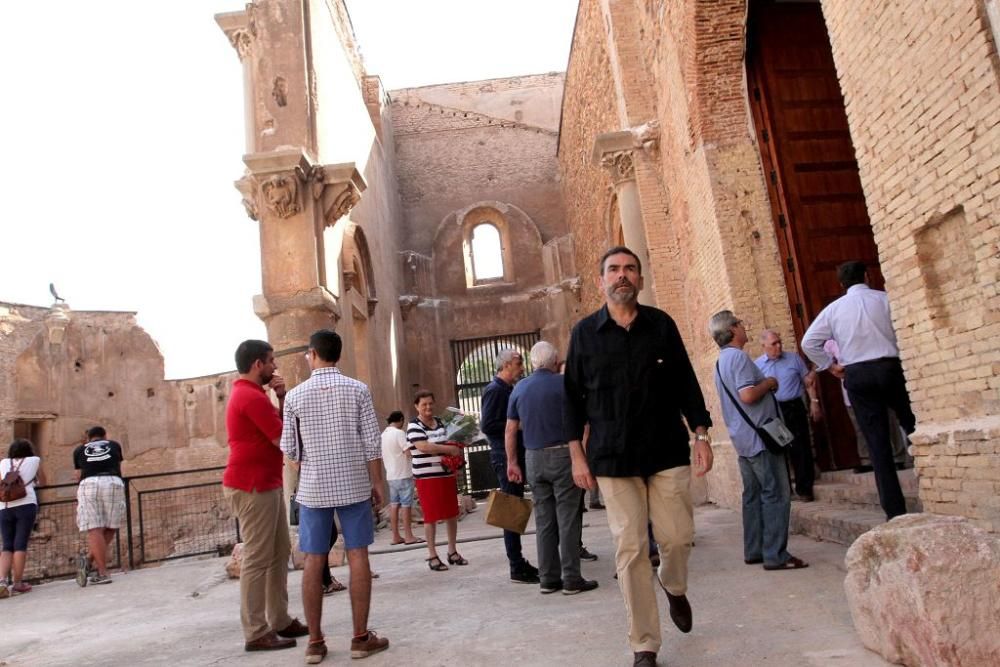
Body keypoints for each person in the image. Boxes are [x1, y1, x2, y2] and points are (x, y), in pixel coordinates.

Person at [564, 246, 714, 667]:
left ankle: (674, 585)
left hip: (666, 449)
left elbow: (686, 382)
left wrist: (700, 434)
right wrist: (577, 455)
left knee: (677, 538)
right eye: (613, 270)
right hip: (612, 458)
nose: (622, 276)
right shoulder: (583, 335)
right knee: (630, 550)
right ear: (601, 281)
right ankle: (644, 644)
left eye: (630, 269)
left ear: (640, 279)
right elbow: (572, 401)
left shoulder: (661, 326)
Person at [280, 329, 389, 665]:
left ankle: (315, 642)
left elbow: (289, 449)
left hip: (313, 490)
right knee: (359, 555)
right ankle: (359, 638)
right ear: (338, 354)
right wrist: (376, 482)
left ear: (313, 354)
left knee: (314, 560)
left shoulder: (295, 397)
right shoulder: (358, 390)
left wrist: (308, 468)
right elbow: (372, 440)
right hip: (354, 483)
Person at [801, 260, 915, 520]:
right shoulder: (885, 299)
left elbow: (809, 342)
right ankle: (936, 483)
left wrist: (829, 366)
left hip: (858, 374)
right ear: (868, 275)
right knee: (913, 427)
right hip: (890, 368)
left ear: (841, 284)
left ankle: (895, 511)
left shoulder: (834, 310)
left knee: (877, 443)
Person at [223, 339, 308, 653]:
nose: (275, 366)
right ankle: (256, 630)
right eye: (271, 361)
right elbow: (282, 438)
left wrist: (282, 398)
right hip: (252, 485)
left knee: (278, 551)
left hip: (263, 482)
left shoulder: (254, 395)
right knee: (258, 558)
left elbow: (279, 431)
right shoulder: (251, 397)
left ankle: (280, 619)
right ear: (257, 364)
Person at [710, 311, 807, 574]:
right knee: (776, 493)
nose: (744, 326)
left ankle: (754, 549)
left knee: (752, 496)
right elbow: (748, 395)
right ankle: (775, 554)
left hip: (743, 439)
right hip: (760, 439)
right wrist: (770, 382)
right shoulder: (739, 358)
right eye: (740, 323)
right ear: (732, 329)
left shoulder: (720, 362)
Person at [506, 341, 598, 596]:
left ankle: (548, 578)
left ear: (534, 363)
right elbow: (585, 421)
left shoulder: (520, 388)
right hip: (564, 454)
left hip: (533, 458)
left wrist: (512, 462)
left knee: (544, 520)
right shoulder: (565, 384)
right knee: (568, 518)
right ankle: (571, 578)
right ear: (555, 362)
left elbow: (511, 429)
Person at [480, 349, 539, 584]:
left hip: (512, 454)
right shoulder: (495, 390)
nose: (522, 367)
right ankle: (516, 565)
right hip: (504, 456)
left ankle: (519, 562)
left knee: (516, 507)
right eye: (518, 363)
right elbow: (489, 425)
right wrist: (517, 425)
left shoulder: (506, 389)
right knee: (511, 509)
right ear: (505, 365)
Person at [823, 339, 910, 473]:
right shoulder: (831, 342)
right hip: (851, 385)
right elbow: (823, 358)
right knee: (860, 425)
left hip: (876, 378)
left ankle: (897, 457)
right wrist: (834, 369)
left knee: (889, 419)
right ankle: (866, 460)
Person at [755, 329, 822, 501]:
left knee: (801, 446)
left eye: (779, 342)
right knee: (778, 448)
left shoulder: (793, 359)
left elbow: (808, 382)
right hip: (773, 410)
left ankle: (805, 489)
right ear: (764, 346)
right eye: (773, 344)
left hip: (794, 407)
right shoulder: (757, 366)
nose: (778, 346)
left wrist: (814, 402)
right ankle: (785, 489)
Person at [406, 390, 467, 572]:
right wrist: (448, 450)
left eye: (430, 403)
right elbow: (423, 447)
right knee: (430, 517)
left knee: (451, 514)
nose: (428, 407)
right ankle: (432, 555)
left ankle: (452, 551)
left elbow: (453, 440)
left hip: (446, 475)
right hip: (427, 479)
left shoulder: (441, 422)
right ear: (416, 406)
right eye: (424, 404)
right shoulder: (413, 426)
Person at [73, 425, 126, 587]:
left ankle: (102, 572)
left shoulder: (79, 450)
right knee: (111, 525)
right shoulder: (114, 445)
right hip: (113, 481)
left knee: (94, 528)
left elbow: (77, 475)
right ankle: (89, 561)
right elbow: (118, 465)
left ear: (88, 438)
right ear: (105, 436)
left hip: (89, 483)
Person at [1, 439, 45, 596]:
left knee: (7, 546)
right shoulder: (34, 460)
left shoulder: (4, 463)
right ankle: (18, 583)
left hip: (5, 507)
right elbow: (43, 480)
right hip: (26, 505)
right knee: (20, 545)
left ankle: (1, 581)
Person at [381, 411, 422, 545]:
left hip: (391, 476)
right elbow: (407, 452)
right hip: (403, 474)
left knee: (394, 505)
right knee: (406, 506)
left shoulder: (383, 435)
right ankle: (409, 536)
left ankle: (395, 536)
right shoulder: (399, 433)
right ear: (401, 420)